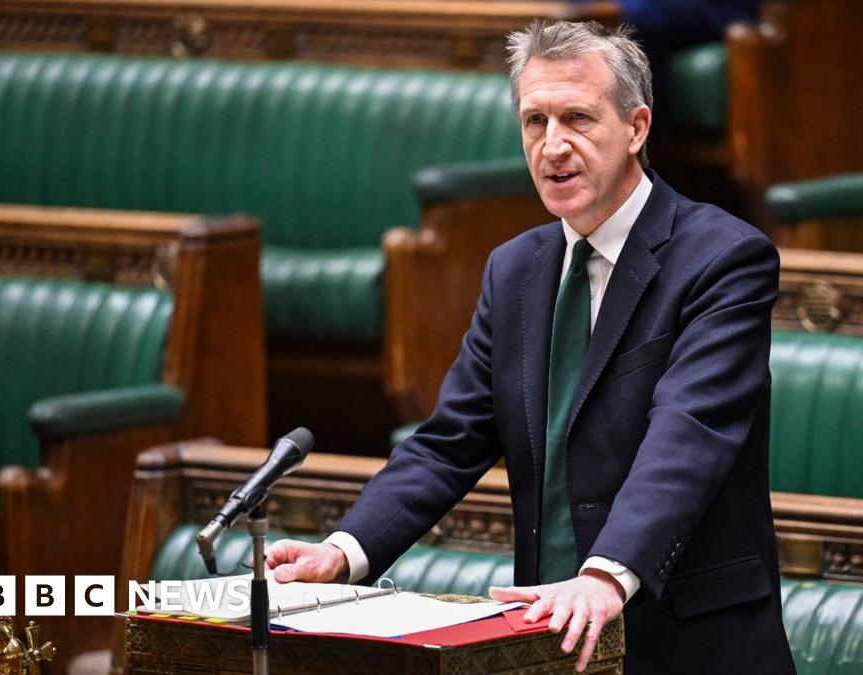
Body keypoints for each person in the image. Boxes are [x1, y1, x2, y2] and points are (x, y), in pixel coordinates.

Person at [264, 19, 795, 674]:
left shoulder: (722, 259)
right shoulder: (515, 270)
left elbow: (688, 432)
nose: (552, 146)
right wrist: (346, 550)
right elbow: (448, 441)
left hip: (691, 645)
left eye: (577, 118)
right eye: (534, 121)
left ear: (636, 128)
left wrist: (605, 573)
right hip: (548, 636)